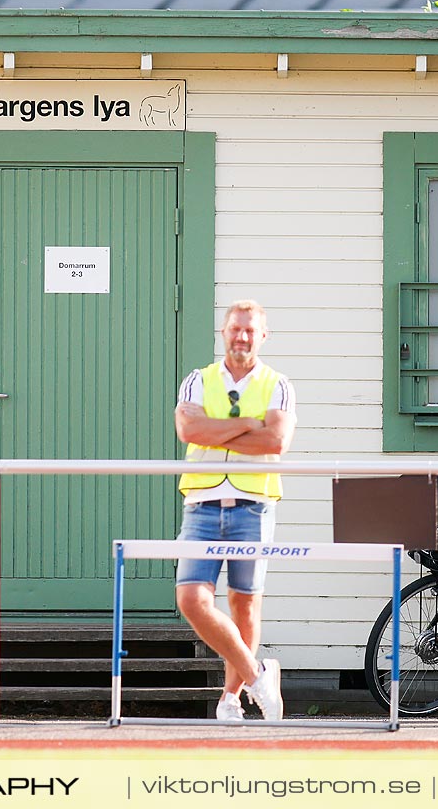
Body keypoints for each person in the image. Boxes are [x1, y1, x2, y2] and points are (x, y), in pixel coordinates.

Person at [172, 300, 296, 722]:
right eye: (234, 329)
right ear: (223, 332)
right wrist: (249, 425)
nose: (241, 337)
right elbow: (188, 430)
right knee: (191, 599)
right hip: (202, 504)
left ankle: (230, 699)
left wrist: (216, 432)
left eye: (250, 330)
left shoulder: (277, 384)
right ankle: (258, 674)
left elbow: (275, 442)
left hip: (254, 506)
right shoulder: (197, 380)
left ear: (263, 336)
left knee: (244, 606)